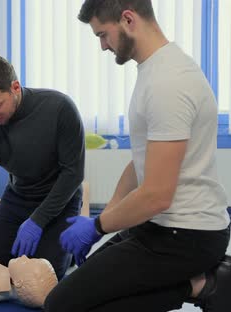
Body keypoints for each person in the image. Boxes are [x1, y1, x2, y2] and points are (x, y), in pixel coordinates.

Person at [44, 1, 231, 311]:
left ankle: (204, 285)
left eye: (103, 34)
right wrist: (106, 215)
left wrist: (99, 226)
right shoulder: (154, 70)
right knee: (76, 291)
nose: (103, 46)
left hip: (188, 235)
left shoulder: (168, 82)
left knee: (62, 306)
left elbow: (156, 195)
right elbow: (142, 160)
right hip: (160, 226)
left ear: (128, 20)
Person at [0, 55, 85, 280]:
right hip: (18, 198)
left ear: (15, 87)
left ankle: (67, 252)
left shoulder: (60, 108)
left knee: (43, 275)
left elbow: (73, 173)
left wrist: (38, 220)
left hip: (60, 199)